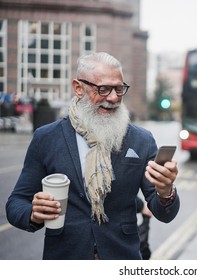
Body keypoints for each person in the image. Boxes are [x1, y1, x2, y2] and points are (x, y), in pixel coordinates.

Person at [5, 52, 180, 260]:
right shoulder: (46, 138)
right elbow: (16, 203)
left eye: (119, 88)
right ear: (78, 88)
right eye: (103, 89)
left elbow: (164, 213)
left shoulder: (141, 140)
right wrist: (33, 214)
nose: (114, 97)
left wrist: (166, 191)